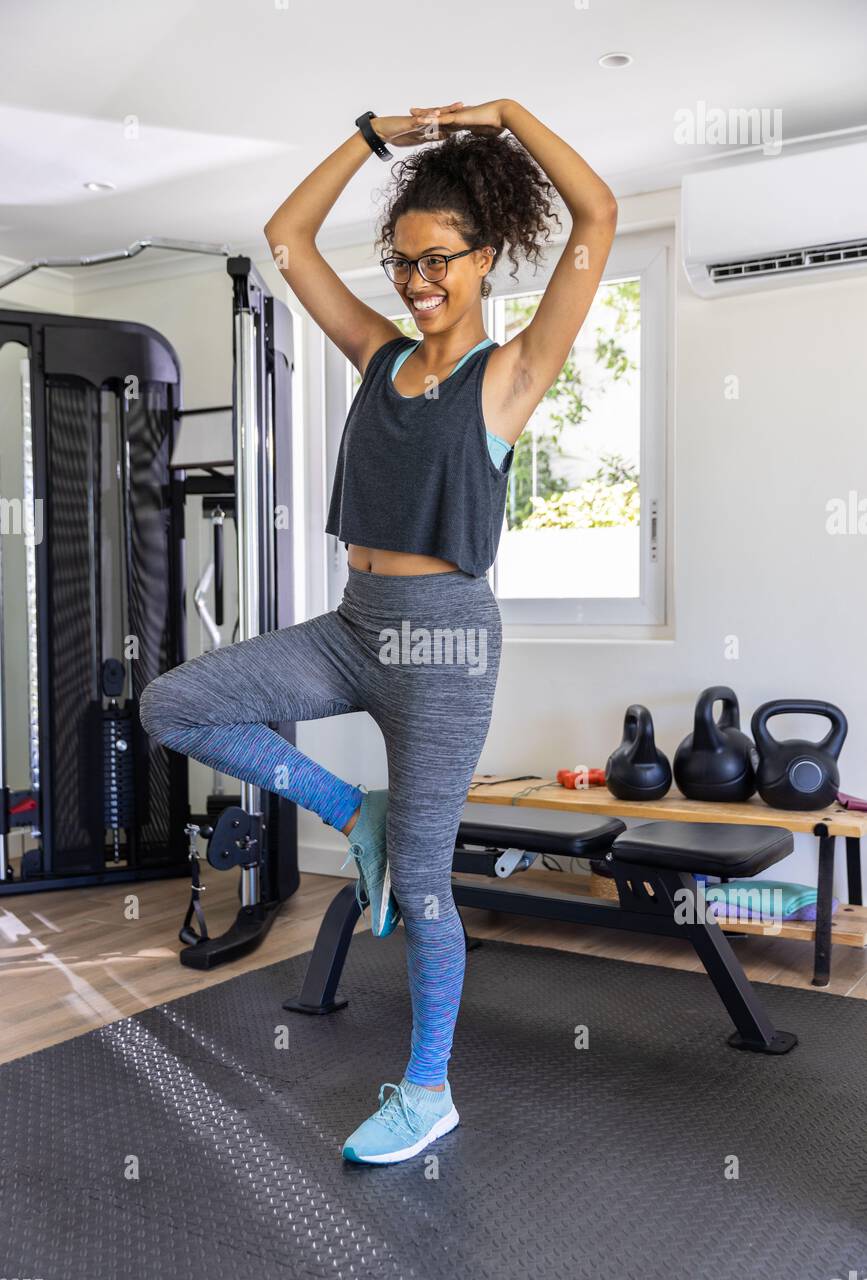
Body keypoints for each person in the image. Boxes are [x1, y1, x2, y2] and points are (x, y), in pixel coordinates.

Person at [139, 99, 616, 1165]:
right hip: (356, 623)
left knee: (430, 885)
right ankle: (356, 811)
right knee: (174, 702)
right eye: (402, 261)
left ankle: (430, 1086)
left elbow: (598, 209)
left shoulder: (511, 373)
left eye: (439, 260)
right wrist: (368, 138)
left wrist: (506, 117)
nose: (417, 281)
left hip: (445, 643)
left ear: (485, 257)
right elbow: (286, 239)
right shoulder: (378, 355)